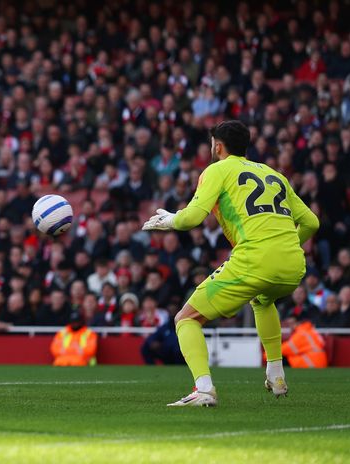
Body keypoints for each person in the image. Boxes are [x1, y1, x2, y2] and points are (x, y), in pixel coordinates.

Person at [143, 120, 319, 406]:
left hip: (254, 259)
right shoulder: (273, 174)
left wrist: (169, 220)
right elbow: (311, 222)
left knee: (185, 319)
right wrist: (287, 246)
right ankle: (276, 374)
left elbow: (192, 218)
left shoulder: (218, 169)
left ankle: (204, 390)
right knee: (262, 300)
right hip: (293, 264)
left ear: (218, 145)